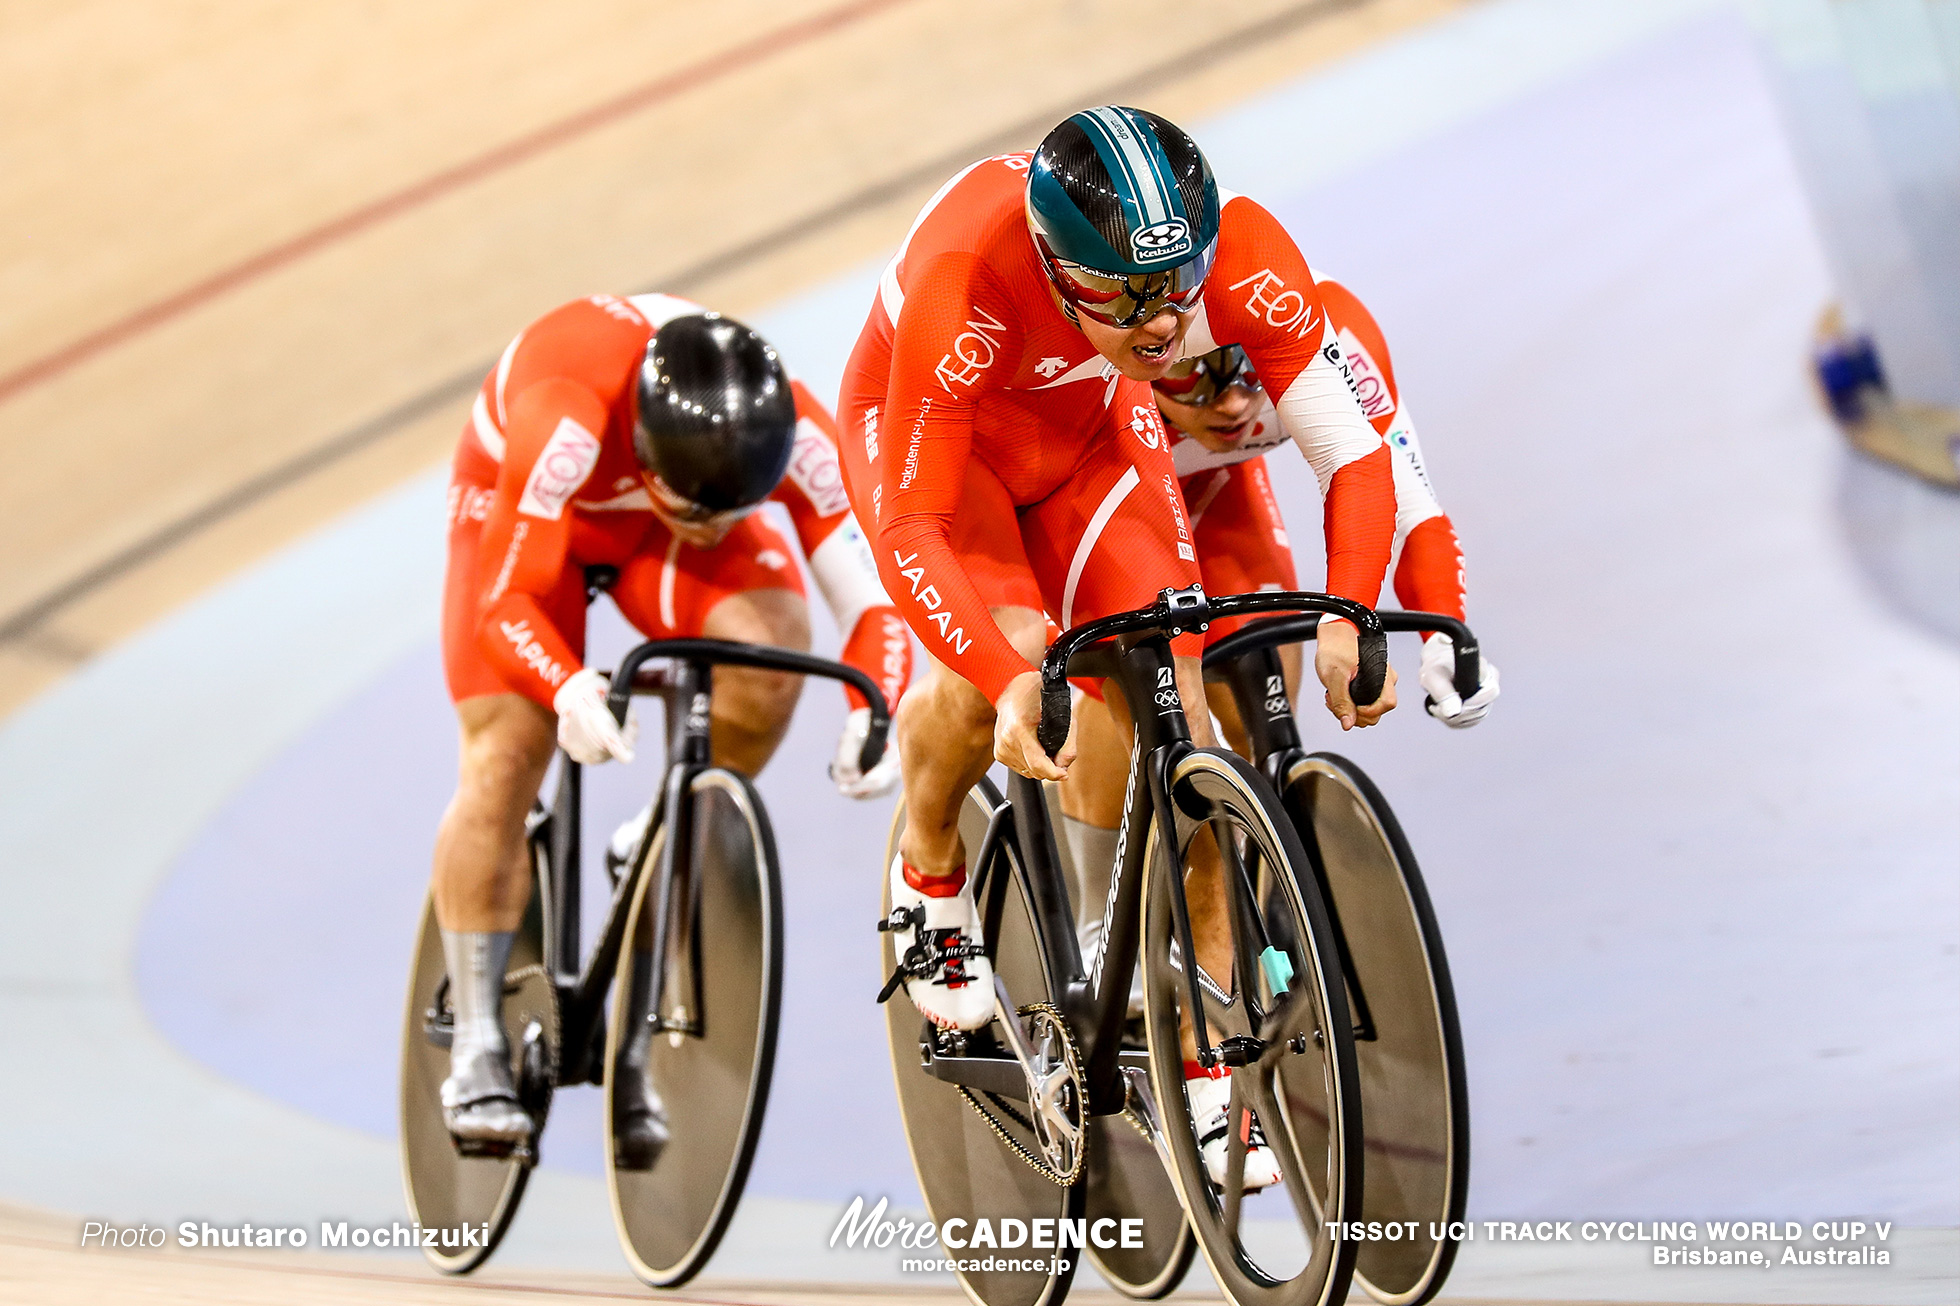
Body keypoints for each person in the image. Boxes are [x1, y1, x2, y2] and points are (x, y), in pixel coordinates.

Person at [837, 106, 1398, 1191]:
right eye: (1125, 299)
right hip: (943, 453)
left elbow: (1354, 453)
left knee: (1169, 681)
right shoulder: (967, 286)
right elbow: (911, 530)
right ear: (1057, 269)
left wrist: (1348, 611)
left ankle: (1148, 989)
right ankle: (929, 863)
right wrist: (1005, 681)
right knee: (1017, 655)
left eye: (1179, 287)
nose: (1161, 326)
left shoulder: (1235, 258)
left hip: (1091, 431)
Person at [433, 292, 911, 1157]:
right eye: (705, 514)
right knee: (508, 751)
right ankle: (474, 1043)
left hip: (650, 520)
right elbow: (507, 604)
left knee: (771, 660)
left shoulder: (794, 429)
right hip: (526, 511)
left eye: (735, 511)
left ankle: (654, 832)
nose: (722, 529)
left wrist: (871, 710)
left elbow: (873, 600)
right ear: (653, 461)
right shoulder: (566, 418)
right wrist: (567, 685)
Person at [1056, 278, 1502, 1186]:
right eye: (1200, 383)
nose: (1228, 402)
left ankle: (1241, 885)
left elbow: (1409, 498)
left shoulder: (1332, 337)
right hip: (1112, 478)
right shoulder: (1121, 377)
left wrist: (1443, 632)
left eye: (1247, 377)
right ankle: (1106, 921)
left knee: (1259, 687)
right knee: (1133, 662)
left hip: (1217, 497)